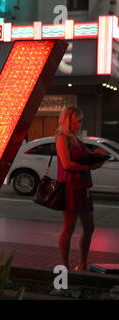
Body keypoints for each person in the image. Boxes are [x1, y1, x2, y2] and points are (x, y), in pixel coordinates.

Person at [55, 107, 105, 272]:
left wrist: (96, 154)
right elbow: (67, 164)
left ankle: (82, 263)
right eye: (76, 121)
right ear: (67, 121)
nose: (78, 124)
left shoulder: (75, 138)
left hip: (83, 187)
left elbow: (83, 156)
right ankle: (65, 265)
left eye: (80, 121)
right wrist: (89, 166)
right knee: (69, 227)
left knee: (89, 227)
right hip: (71, 187)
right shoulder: (62, 138)